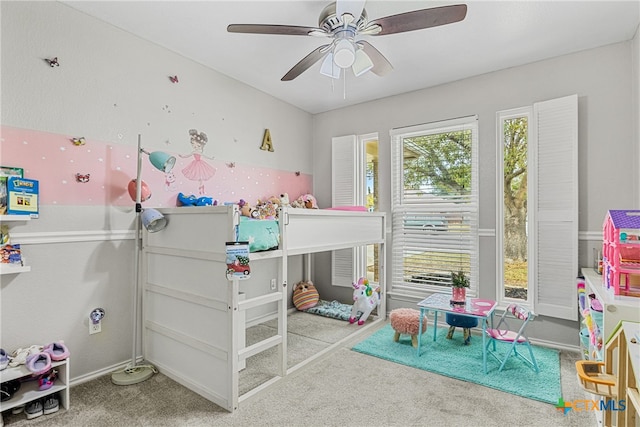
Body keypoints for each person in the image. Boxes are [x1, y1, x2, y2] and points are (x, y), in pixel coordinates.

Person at [180, 129, 216, 195]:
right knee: (198, 175)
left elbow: (205, 156)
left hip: (200, 164)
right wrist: (182, 156)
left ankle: (201, 187)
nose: (196, 147)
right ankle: (200, 188)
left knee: (201, 175)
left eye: (198, 146)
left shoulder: (199, 152)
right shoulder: (194, 152)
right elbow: (188, 155)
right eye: (194, 145)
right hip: (195, 164)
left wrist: (211, 158)